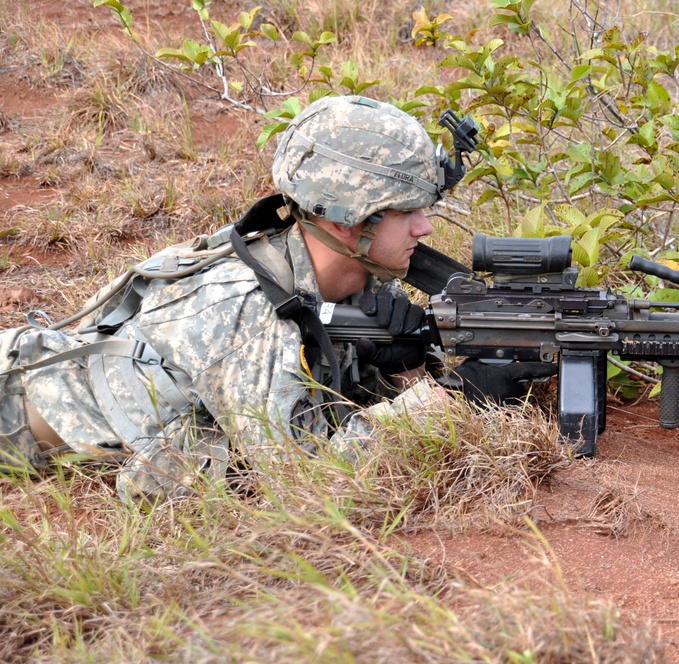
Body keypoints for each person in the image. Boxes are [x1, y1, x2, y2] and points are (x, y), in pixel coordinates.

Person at [0, 95, 555, 504]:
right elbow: (302, 481)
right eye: (407, 210)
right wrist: (447, 396)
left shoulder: (335, 272)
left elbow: (313, 386)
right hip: (18, 420)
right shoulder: (244, 307)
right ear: (346, 221)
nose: (425, 227)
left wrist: (400, 363)